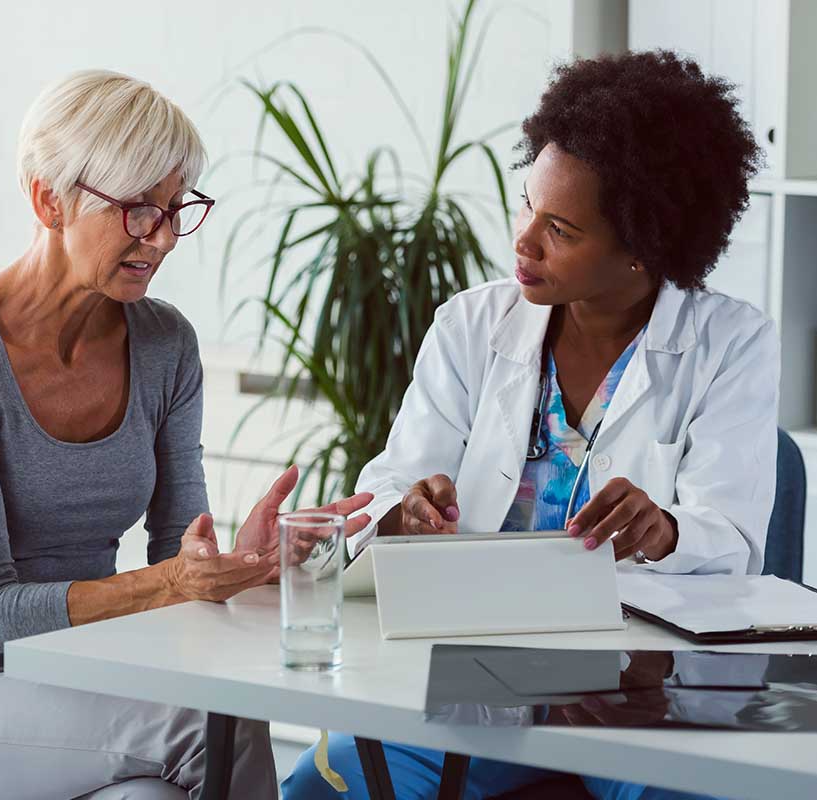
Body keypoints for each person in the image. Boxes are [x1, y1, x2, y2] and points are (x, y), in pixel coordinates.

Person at [0, 69, 372, 800]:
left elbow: (177, 561)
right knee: (210, 726)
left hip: (73, 687)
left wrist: (239, 565)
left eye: (176, 209)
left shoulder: (164, 344)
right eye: (138, 210)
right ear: (48, 200)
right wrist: (174, 581)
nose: (164, 237)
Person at [282, 50, 770, 800]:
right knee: (331, 783)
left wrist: (664, 530)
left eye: (561, 230)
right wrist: (404, 514)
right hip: (475, 672)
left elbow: (732, 535)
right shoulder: (471, 326)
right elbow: (385, 487)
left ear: (643, 248)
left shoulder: (730, 345)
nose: (523, 241)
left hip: (638, 684)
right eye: (526, 207)